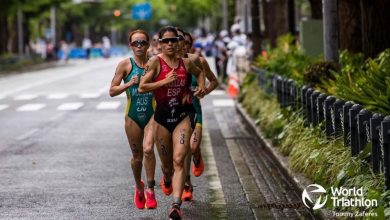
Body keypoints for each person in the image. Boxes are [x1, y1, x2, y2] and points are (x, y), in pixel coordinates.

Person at [138, 26, 205, 220]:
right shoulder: (155, 62)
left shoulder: (186, 63)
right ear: (159, 44)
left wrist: (200, 88)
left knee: (179, 160)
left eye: (173, 40)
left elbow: (200, 73)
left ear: (178, 43)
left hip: (182, 118)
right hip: (161, 119)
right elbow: (142, 87)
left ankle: (176, 205)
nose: (169, 44)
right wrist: (164, 82)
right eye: (165, 41)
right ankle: (166, 179)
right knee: (167, 166)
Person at [109, 29, 157, 210]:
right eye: (135, 43)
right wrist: (129, 83)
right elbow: (112, 91)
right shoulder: (125, 65)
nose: (139, 46)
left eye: (142, 42)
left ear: (148, 45)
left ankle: (151, 191)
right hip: (133, 116)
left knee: (148, 149)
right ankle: (139, 186)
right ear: (130, 45)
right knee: (137, 157)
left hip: (152, 114)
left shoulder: (154, 63)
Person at [180, 31, 219, 202]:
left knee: (193, 148)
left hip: (194, 111)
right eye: (181, 41)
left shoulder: (199, 61)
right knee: (181, 152)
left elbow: (214, 81)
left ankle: (197, 156)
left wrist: (203, 92)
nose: (184, 44)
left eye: (187, 42)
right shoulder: (167, 62)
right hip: (175, 113)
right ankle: (186, 185)